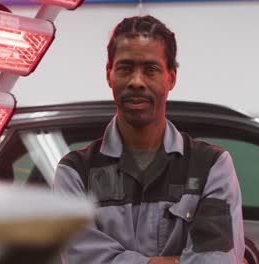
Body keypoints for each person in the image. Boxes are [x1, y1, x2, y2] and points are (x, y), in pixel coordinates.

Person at [53, 15, 244, 264]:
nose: (136, 81)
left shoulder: (211, 167)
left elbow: (218, 260)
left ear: (171, 77)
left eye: (150, 69)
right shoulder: (75, 173)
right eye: (125, 68)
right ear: (109, 74)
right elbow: (80, 259)